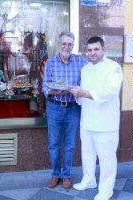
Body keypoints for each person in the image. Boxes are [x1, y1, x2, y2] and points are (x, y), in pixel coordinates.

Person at [70, 36, 123, 200]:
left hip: (106, 123)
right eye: (90, 50)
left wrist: (85, 93)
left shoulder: (114, 68)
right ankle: (89, 180)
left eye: (96, 49)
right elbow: (84, 94)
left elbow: (111, 92)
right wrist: (77, 92)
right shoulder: (85, 69)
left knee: (107, 159)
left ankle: (106, 190)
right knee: (87, 154)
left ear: (103, 49)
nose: (93, 53)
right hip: (87, 121)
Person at [42, 31, 88, 189]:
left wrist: (80, 90)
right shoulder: (50, 62)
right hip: (54, 107)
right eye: (64, 43)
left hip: (73, 108)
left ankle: (66, 175)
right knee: (54, 144)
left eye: (70, 44)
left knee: (69, 145)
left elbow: (88, 81)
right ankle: (55, 174)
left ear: (73, 45)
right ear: (58, 44)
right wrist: (55, 91)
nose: (66, 46)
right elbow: (45, 86)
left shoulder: (81, 61)